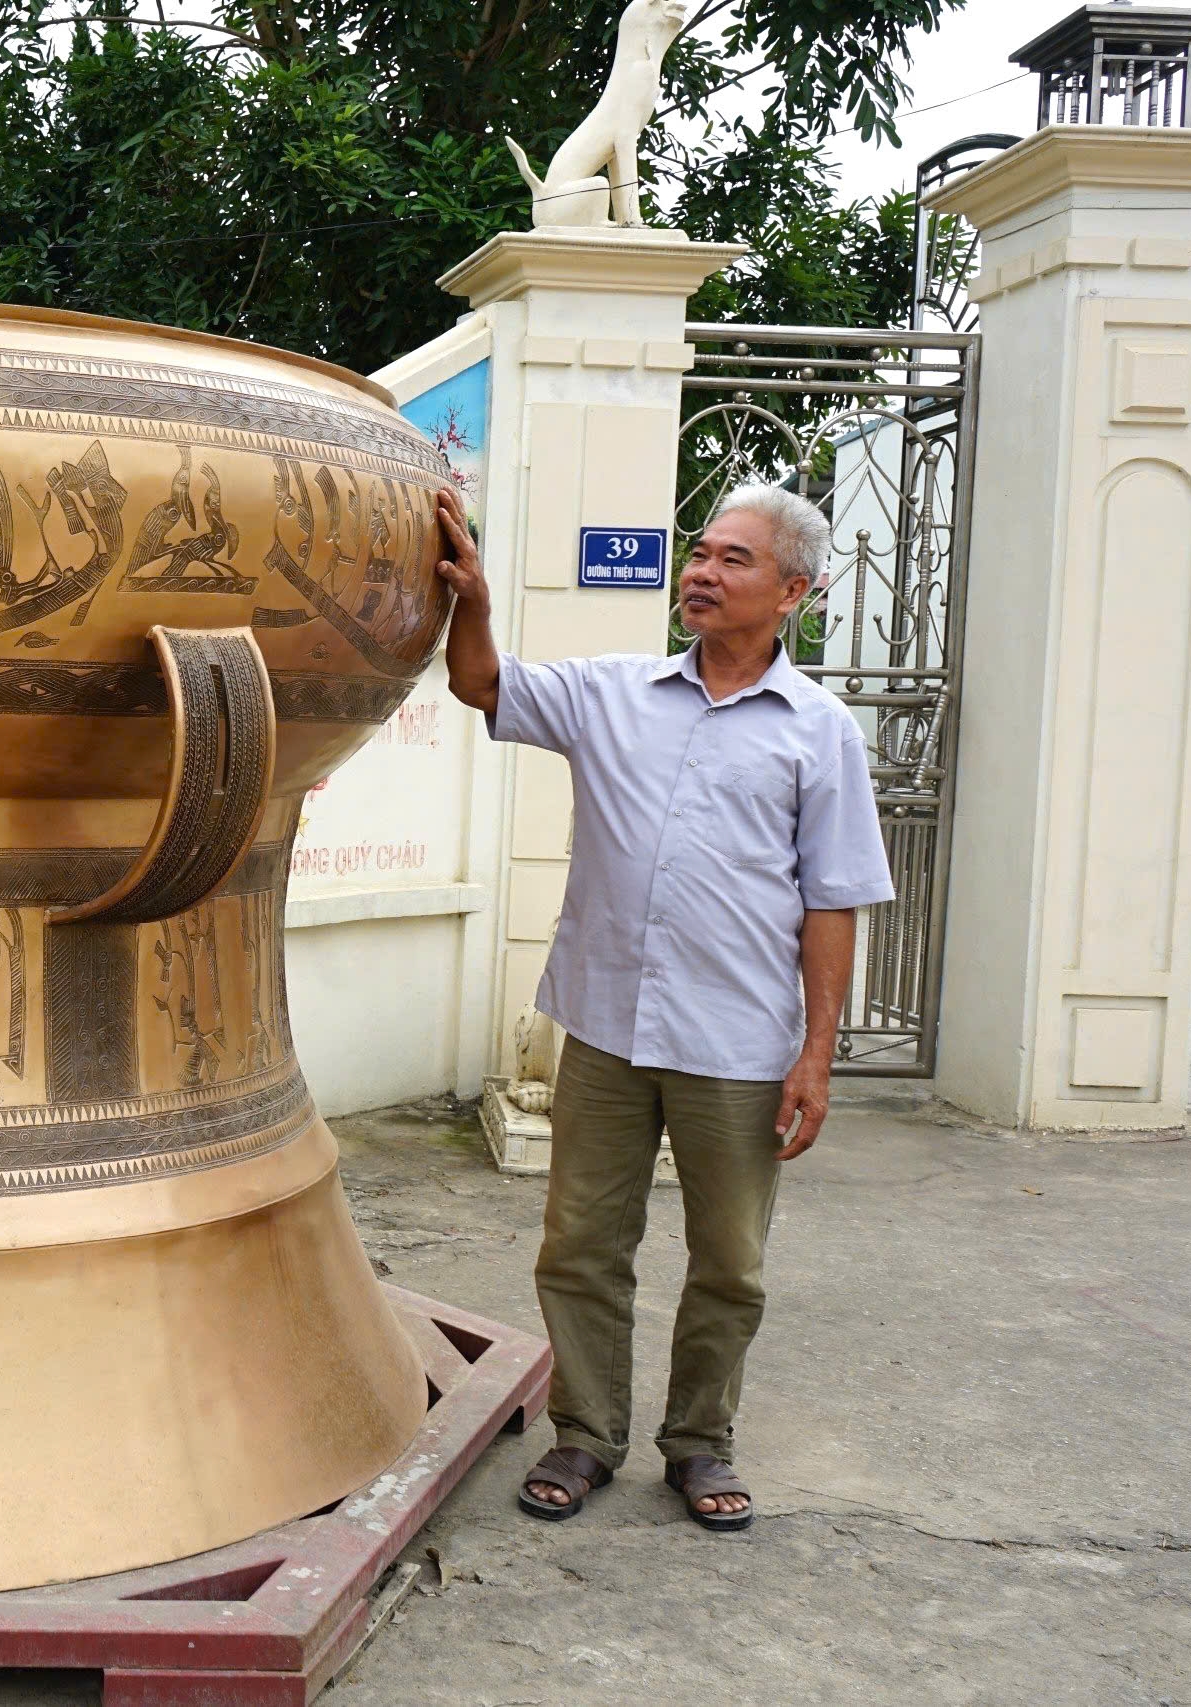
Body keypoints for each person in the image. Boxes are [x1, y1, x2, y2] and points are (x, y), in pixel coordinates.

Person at [433, 482, 893, 1532]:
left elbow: (833, 902)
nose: (701, 570)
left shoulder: (820, 734)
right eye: (700, 551)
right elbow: (482, 685)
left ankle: (700, 1441)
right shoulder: (612, 693)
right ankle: (585, 1435)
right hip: (601, 1026)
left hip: (735, 1044)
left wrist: (815, 1056)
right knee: (581, 1246)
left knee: (728, 1262)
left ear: (792, 592)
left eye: (733, 559)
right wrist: (475, 605)